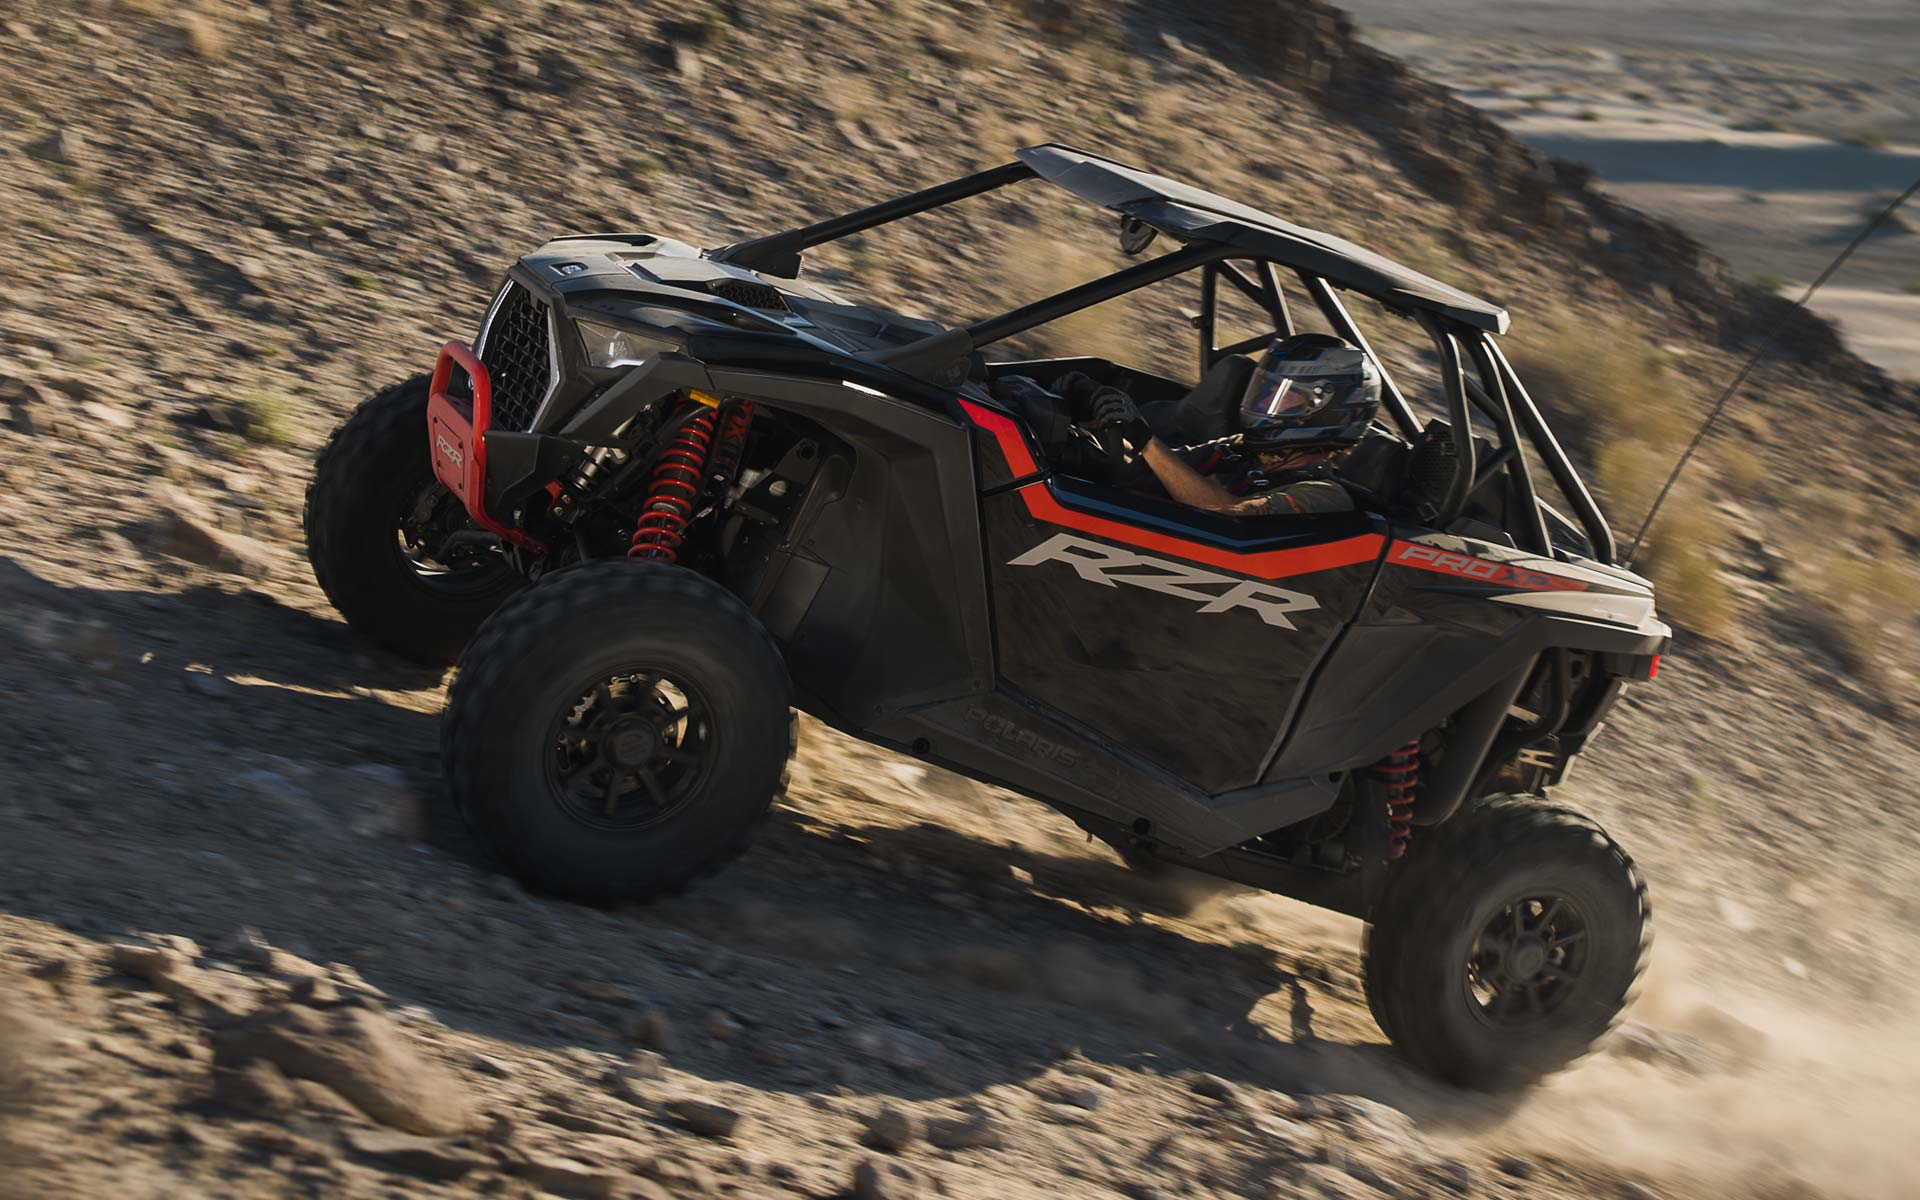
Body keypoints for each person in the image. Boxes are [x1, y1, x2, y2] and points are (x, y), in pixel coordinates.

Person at [1080, 334, 1384, 516]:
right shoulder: (1241, 449)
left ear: (1325, 412)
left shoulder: (1325, 495)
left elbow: (1230, 515)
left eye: (1283, 396)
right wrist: (1096, 420)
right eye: (1266, 390)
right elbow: (1154, 468)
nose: (1266, 401)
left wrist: (1147, 441)